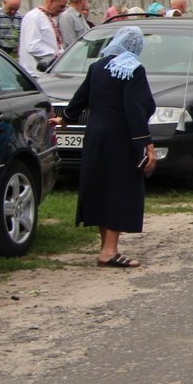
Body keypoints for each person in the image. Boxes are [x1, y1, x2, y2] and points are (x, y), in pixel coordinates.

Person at [50, 27, 156, 269]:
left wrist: (64, 118)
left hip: (95, 136)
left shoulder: (98, 67)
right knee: (119, 189)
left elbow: (81, 97)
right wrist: (147, 144)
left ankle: (105, 247)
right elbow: (135, 108)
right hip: (121, 138)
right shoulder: (133, 70)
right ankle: (109, 251)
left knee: (101, 187)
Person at [19, 0, 68, 76]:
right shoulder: (33, 17)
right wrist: (56, 55)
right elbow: (32, 46)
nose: (63, 10)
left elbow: (54, 44)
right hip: (34, 73)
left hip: (46, 71)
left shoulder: (50, 18)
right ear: (51, 1)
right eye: (61, 6)